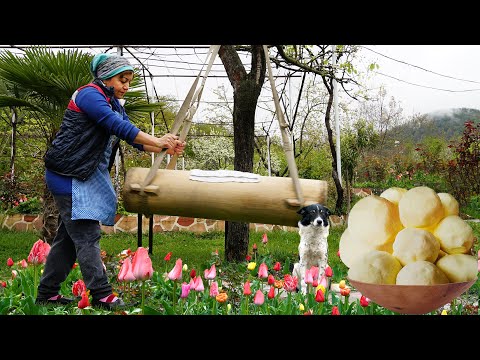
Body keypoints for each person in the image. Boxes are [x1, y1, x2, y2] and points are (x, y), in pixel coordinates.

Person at [35, 53, 185, 310]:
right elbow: (116, 126)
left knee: (68, 240)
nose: (126, 86)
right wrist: (158, 142)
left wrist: (163, 146)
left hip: (80, 174)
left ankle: (47, 294)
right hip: (67, 175)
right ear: (105, 77)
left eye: (128, 81)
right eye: (122, 79)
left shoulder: (114, 103)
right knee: (86, 234)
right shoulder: (88, 94)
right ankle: (102, 295)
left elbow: (131, 136)